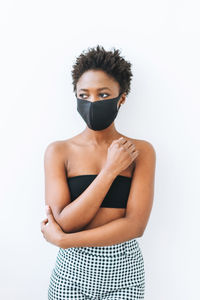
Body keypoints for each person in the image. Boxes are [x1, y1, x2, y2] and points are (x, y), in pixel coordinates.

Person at [40, 45, 156, 300]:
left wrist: (64, 241)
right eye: (84, 94)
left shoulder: (141, 152)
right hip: (71, 274)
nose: (92, 102)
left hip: (124, 275)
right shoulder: (59, 152)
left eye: (103, 95)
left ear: (121, 98)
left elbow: (135, 226)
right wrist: (110, 170)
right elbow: (65, 222)